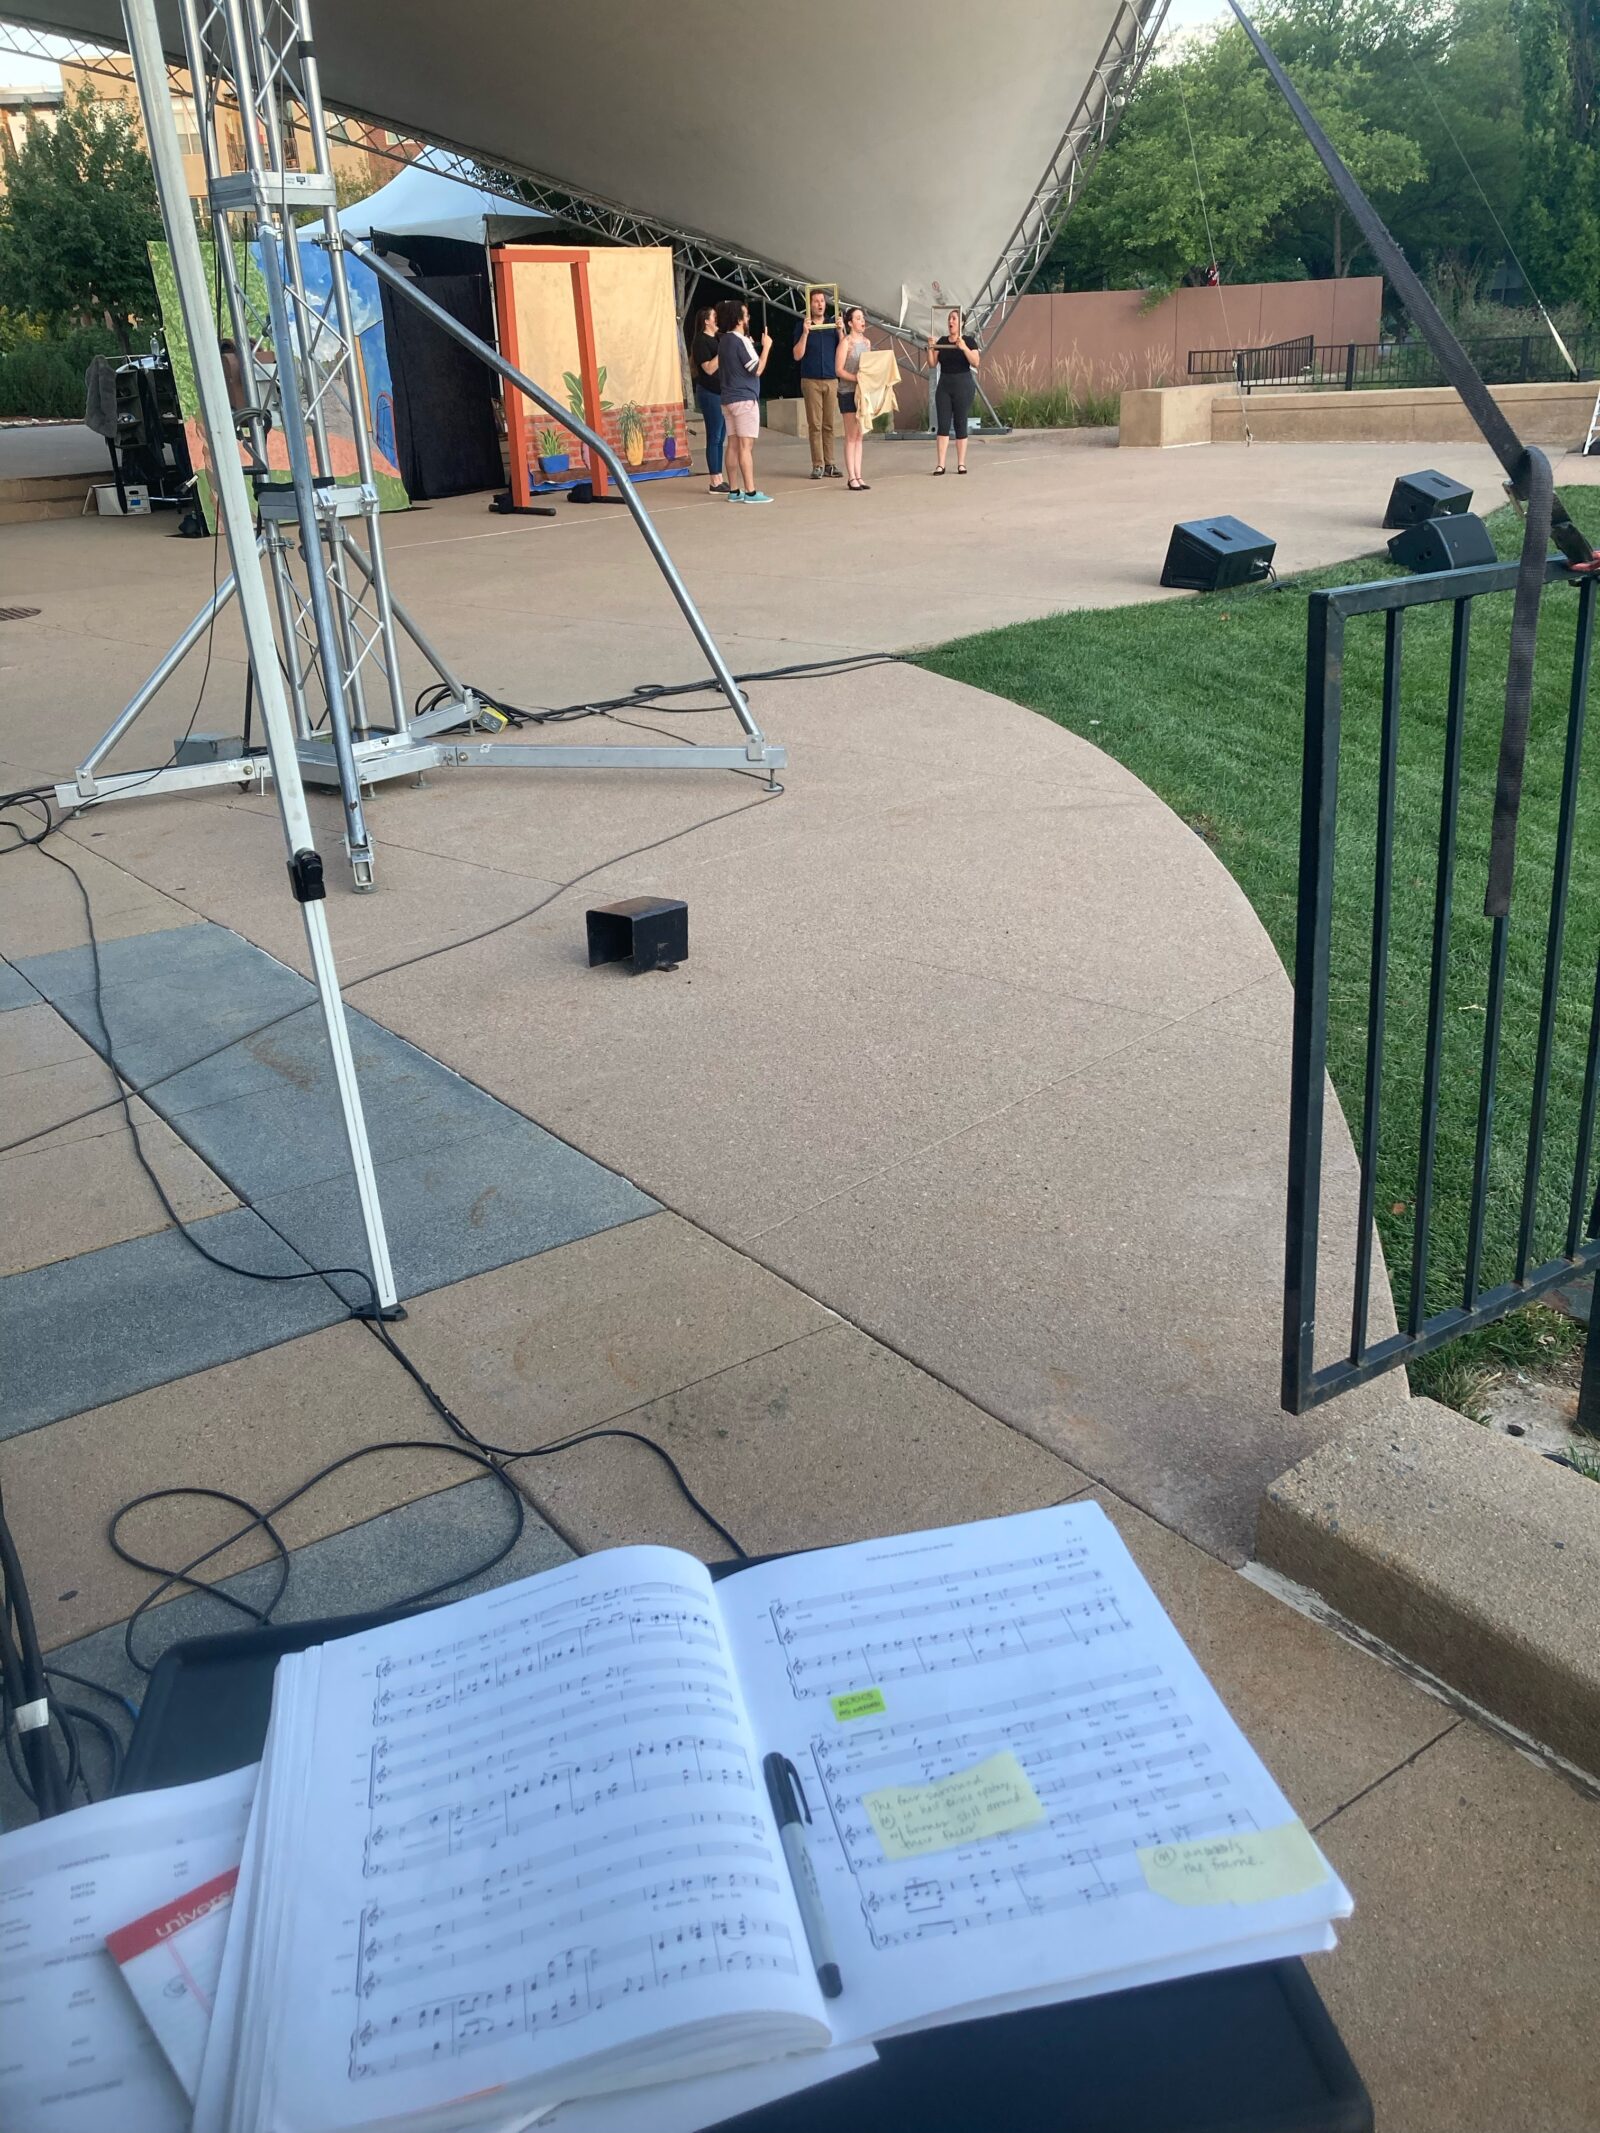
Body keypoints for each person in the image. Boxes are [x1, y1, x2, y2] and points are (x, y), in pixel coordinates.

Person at [716, 298, 773, 503]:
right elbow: (756, 369)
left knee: (732, 444)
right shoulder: (741, 341)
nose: (748, 318)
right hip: (745, 398)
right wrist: (766, 347)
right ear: (739, 319)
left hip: (727, 398)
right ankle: (750, 491)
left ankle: (734, 490)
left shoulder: (724, 340)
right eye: (746, 315)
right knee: (745, 446)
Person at [793, 288, 840, 480]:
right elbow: (797, 355)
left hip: (831, 378)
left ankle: (830, 463)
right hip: (811, 380)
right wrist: (805, 333)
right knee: (815, 424)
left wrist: (841, 330)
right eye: (816, 301)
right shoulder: (803, 325)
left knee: (829, 424)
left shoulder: (831, 325)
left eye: (822, 301)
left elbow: (844, 349)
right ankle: (818, 464)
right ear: (809, 305)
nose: (820, 304)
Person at [927, 308, 980, 473]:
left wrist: (963, 347)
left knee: (960, 422)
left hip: (963, 385)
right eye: (949, 319)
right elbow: (932, 364)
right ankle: (941, 464)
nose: (951, 322)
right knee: (943, 423)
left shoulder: (969, 341)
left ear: (962, 323)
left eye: (954, 319)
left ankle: (961, 463)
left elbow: (976, 362)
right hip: (945, 385)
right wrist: (931, 347)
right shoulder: (942, 341)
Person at [835, 304, 873, 491]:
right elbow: (839, 370)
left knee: (859, 435)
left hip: (862, 393)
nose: (862, 321)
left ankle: (859, 474)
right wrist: (856, 378)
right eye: (858, 318)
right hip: (848, 392)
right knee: (851, 435)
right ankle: (851, 476)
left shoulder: (866, 343)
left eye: (863, 318)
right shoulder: (846, 343)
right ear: (850, 323)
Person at [691, 303, 728, 493]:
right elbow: (708, 368)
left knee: (721, 436)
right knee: (714, 435)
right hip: (709, 392)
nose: (717, 320)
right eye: (714, 317)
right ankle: (714, 480)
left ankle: (719, 476)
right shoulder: (701, 341)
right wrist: (722, 352)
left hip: (721, 392)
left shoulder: (719, 338)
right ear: (707, 321)